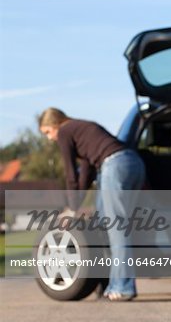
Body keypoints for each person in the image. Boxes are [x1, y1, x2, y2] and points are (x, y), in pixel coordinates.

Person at [39, 107, 146, 301]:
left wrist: (71, 209)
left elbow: (71, 175)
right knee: (103, 226)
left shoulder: (65, 131)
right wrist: (75, 206)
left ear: (54, 124)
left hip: (114, 165)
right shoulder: (82, 129)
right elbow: (86, 173)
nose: (49, 138)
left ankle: (123, 287)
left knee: (116, 228)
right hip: (133, 164)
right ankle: (109, 284)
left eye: (47, 132)